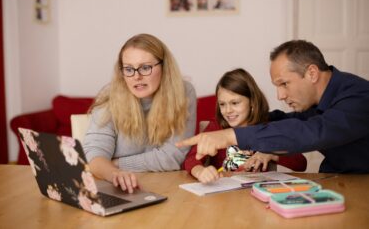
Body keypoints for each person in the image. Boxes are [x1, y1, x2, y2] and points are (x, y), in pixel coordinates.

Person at [177, 40, 369, 173]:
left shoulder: (359, 97)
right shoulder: (317, 102)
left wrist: (231, 135)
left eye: (284, 83)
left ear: (311, 73)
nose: (280, 95)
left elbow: (310, 131)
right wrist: (248, 121)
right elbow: (290, 120)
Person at [83, 33, 197, 193]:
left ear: (164, 67)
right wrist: (114, 173)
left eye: (145, 67)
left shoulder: (183, 92)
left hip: (168, 189)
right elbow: (94, 156)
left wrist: (115, 163)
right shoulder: (109, 96)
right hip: (117, 187)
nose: (136, 76)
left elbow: (174, 156)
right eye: (129, 69)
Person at [183, 69, 307, 183]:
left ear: (252, 102)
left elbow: (301, 163)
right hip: (224, 197)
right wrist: (200, 171)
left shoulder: (267, 128)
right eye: (222, 104)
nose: (228, 110)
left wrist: (272, 153)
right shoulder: (216, 127)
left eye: (235, 103)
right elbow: (191, 159)